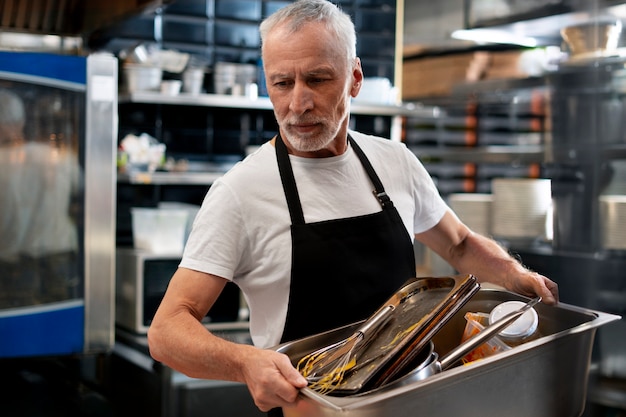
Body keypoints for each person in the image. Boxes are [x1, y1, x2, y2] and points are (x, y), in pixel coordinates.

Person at [148, 0, 559, 414]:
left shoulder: (395, 162)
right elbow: (166, 331)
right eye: (281, 83)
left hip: (412, 400)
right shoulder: (240, 192)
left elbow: (457, 244)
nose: (298, 103)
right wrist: (245, 363)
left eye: (318, 79)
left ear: (355, 78)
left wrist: (514, 273)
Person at [0, 88, 82, 308]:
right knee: (58, 323)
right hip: (60, 254)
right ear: (20, 122)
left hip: (12, 263)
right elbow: (81, 194)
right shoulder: (57, 155)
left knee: (19, 326)